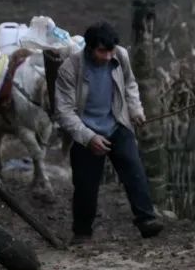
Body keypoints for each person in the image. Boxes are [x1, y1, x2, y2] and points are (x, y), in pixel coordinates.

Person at [54, 21, 163, 243]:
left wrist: (135, 110)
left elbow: (130, 85)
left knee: (134, 171)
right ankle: (82, 232)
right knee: (86, 185)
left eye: (110, 50)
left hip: (116, 123)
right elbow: (64, 111)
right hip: (86, 130)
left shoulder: (120, 57)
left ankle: (146, 220)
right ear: (90, 48)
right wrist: (88, 137)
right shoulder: (70, 68)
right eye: (102, 51)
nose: (106, 56)